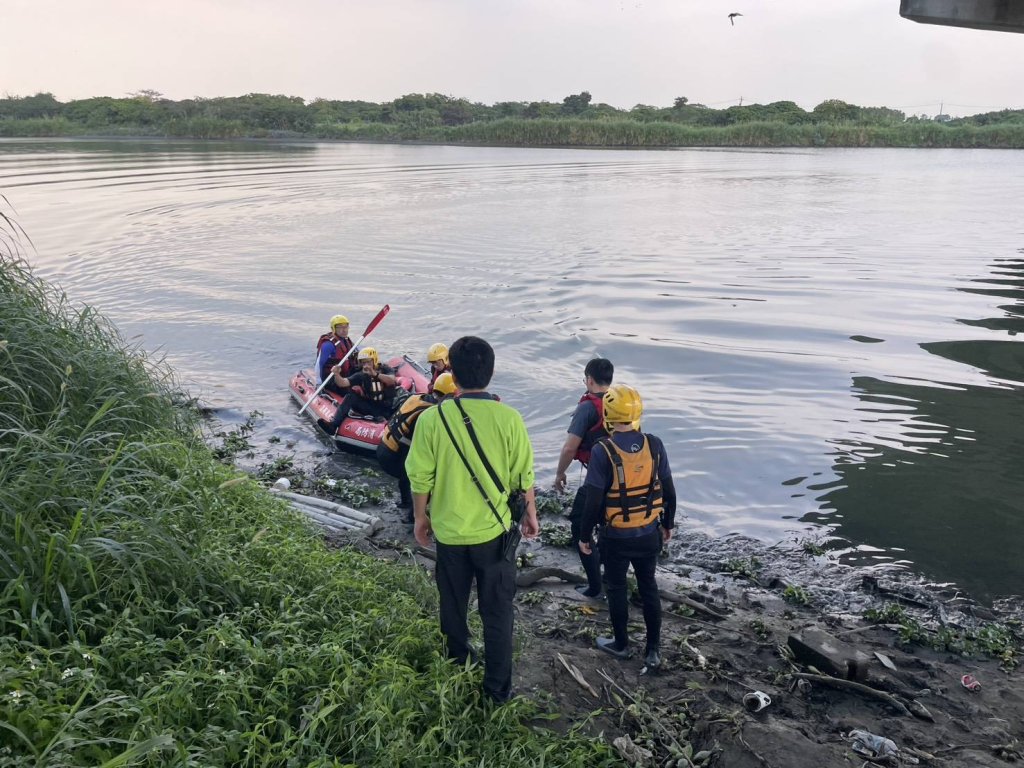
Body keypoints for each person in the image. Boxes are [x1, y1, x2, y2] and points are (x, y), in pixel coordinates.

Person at [407, 336, 539, 704]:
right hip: (495, 535)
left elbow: (420, 478)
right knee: (497, 614)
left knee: (452, 605)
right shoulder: (509, 418)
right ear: (491, 372)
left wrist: (421, 518)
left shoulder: (432, 419)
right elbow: (523, 478)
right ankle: (497, 691)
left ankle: (458, 663)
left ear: (452, 372)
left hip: (449, 533)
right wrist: (530, 514)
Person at [578, 384, 676, 670]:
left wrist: (585, 537)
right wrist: (667, 523)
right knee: (649, 587)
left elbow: (593, 501)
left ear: (608, 414)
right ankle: (653, 651)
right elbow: (670, 491)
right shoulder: (655, 444)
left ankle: (621, 645)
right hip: (648, 534)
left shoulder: (602, 451)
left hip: (616, 537)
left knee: (617, 587)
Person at [553, 358, 614, 598]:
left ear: (589, 379)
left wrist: (559, 473)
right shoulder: (619, 403)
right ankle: (611, 577)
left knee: (581, 526)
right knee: (610, 526)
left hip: (597, 480)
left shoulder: (587, 407)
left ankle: (595, 587)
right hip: (623, 479)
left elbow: (570, 448)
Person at [377, 371, 457, 520]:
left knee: (408, 472)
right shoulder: (430, 414)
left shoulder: (417, 398)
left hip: (383, 449)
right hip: (394, 457)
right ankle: (413, 517)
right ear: (449, 396)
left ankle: (405, 503)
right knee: (425, 476)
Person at [316, 347, 397, 435]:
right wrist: (337, 374)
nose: (366, 365)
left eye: (368, 361)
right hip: (372, 407)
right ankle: (334, 425)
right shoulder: (361, 375)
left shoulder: (385, 369)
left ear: (374, 360)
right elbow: (343, 383)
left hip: (389, 407)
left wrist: (375, 374)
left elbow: (392, 380)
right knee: (350, 397)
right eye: (363, 362)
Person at [315, 315, 357, 395]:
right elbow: (319, 365)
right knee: (351, 391)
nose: (344, 330)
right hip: (332, 379)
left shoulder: (347, 341)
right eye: (340, 327)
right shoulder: (328, 345)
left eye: (346, 327)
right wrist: (319, 383)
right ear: (333, 328)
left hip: (345, 375)